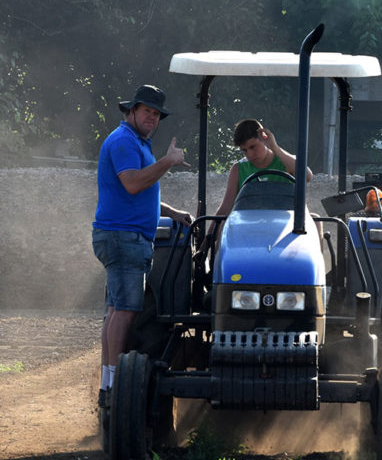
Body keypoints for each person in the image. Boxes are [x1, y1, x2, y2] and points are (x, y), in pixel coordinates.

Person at [92, 84, 192, 407]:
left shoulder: (136, 143)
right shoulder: (123, 141)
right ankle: (114, 387)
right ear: (132, 110)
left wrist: (173, 213)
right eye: (147, 111)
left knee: (115, 310)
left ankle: (108, 383)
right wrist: (167, 161)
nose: (153, 118)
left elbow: (141, 194)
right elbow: (133, 184)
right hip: (123, 237)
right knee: (125, 311)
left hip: (126, 236)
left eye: (157, 114)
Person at [204, 118, 313, 246]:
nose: (250, 154)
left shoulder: (287, 162)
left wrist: (275, 147)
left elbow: (307, 176)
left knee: (315, 221)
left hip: (286, 227)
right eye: (244, 150)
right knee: (224, 223)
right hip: (249, 228)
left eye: (252, 147)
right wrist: (204, 245)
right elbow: (226, 207)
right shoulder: (238, 169)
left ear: (264, 138)